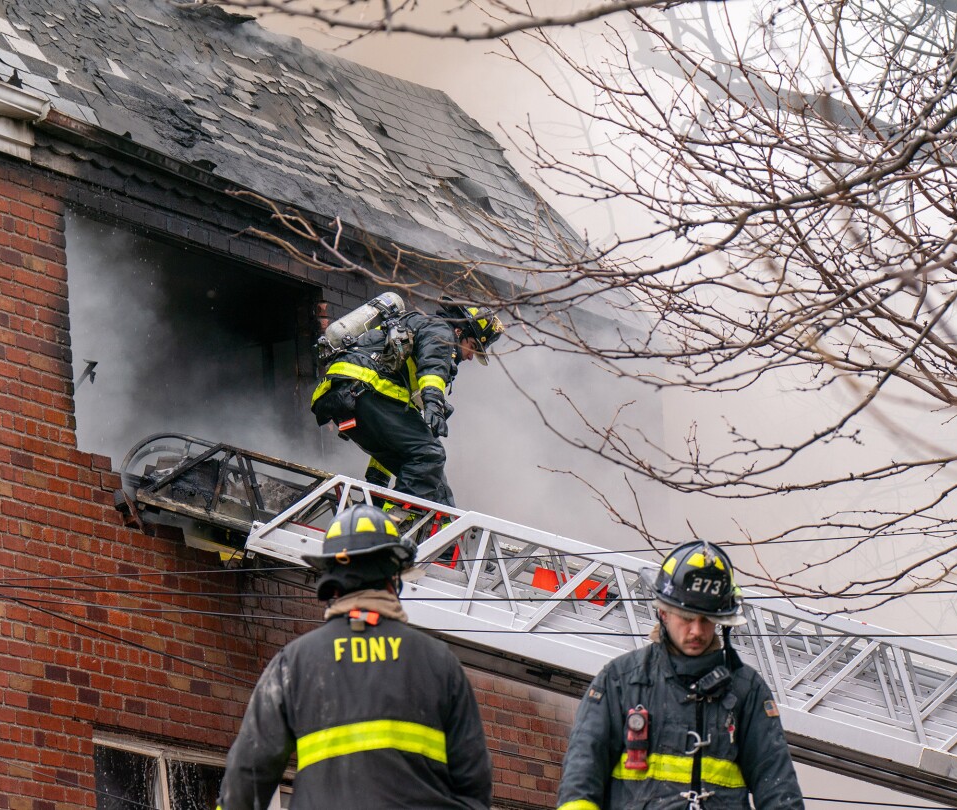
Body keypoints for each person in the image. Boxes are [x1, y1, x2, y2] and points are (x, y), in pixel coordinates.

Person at [216, 504, 493, 810]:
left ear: (332, 580)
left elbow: (246, 779)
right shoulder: (440, 663)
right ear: (394, 577)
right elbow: (475, 788)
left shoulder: (293, 664)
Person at [554, 541, 805, 810]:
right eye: (687, 617)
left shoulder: (746, 690)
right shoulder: (620, 681)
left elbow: (779, 790)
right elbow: (581, 779)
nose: (697, 631)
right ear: (663, 612)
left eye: (706, 619)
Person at [310, 300, 504, 507]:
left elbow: (392, 440)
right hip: (364, 392)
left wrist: (377, 481)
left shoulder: (413, 347)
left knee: (433, 480)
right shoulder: (440, 331)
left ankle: (381, 512)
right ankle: (390, 524)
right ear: (459, 331)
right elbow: (434, 364)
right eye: (472, 346)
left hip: (345, 402)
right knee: (429, 454)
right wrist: (434, 405)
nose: (471, 356)